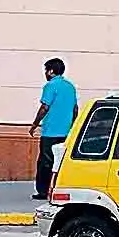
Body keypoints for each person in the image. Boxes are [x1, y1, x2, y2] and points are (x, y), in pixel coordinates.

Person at [28, 58, 78, 200]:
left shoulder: (50, 86)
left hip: (50, 131)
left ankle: (43, 191)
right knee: (61, 162)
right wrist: (72, 125)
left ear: (51, 71)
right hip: (66, 132)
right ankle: (58, 188)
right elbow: (75, 109)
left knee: (45, 162)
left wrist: (34, 124)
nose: (45, 73)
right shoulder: (70, 87)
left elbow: (45, 107)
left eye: (46, 70)